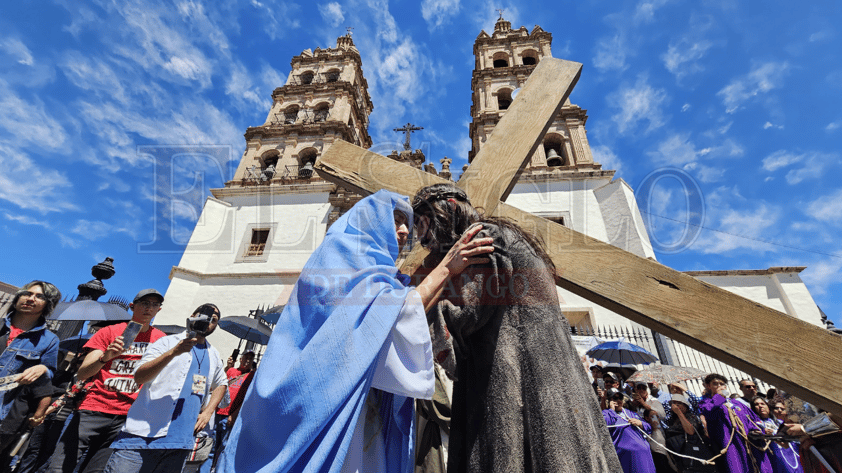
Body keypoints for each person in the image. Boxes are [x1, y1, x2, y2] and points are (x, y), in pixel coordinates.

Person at [218, 190, 495, 473]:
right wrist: (447, 266)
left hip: (359, 408)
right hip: (315, 399)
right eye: (396, 220)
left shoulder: (379, 272)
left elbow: (393, 317)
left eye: (407, 226)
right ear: (369, 220)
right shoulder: (338, 255)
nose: (403, 232)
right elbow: (389, 316)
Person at [412, 183, 622, 472]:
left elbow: (468, 316)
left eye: (424, 224)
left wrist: (418, 303)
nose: (422, 237)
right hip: (551, 373)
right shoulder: (502, 234)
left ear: (446, 210)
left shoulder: (481, 238)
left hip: (515, 376)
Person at [45, 289, 168, 473]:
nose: (149, 308)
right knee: (58, 468)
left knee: (97, 470)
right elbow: (83, 373)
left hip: (128, 416)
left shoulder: (162, 340)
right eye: (144, 303)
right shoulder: (110, 331)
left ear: (159, 310)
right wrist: (106, 356)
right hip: (94, 409)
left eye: (154, 304)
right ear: (132, 306)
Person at [103, 303, 228, 473]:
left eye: (214, 320)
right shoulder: (167, 342)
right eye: (205, 316)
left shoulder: (213, 354)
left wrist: (207, 412)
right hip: (142, 436)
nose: (209, 322)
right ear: (193, 315)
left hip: (180, 443)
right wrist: (173, 353)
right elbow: (139, 376)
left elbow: (222, 383)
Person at [0, 281, 61, 461]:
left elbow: (48, 374)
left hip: (6, 411)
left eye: (39, 296)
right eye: (27, 293)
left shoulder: (49, 340)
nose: (30, 298)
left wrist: (43, 367)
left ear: (48, 304)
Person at [699, 373, 772, 473]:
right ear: (708, 386)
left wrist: (760, 429)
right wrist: (720, 397)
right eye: (715, 384)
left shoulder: (737, 403)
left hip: (747, 442)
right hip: (729, 445)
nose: (720, 386)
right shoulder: (706, 403)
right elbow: (708, 411)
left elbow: (754, 420)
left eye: (722, 384)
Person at [603, 388, 656, 473]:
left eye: (620, 397)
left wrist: (640, 423)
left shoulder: (631, 413)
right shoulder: (606, 414)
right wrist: (611, 410)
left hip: (644, 454)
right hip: (628, 457)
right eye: (615, 398)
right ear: (609, 401)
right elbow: (605, 425)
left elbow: (649, 428)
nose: (619, 400)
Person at [750, 396, 802, 473]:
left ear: (768, 406)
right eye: (756, 404)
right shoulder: (756, 424)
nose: (760, 406)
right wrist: (764, 433)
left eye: (762, 404)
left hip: (792, 452)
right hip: (776, 455)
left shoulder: (780, 422)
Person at [632, 382, 671, 472]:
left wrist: (644, 404)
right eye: (639, 388)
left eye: (643, 388)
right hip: (643, 437)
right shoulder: (633, 404)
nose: (641, 390)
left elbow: (662, 415)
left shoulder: (653, 400)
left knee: (661, 460)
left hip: (656, 435)